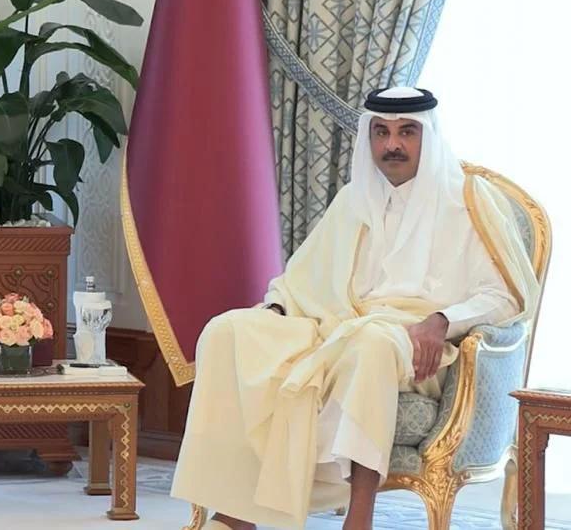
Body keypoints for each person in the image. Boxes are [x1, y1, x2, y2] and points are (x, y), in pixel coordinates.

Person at [171, 87, 540, 530]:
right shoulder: (354, 199)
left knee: (370, 343)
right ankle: (235, 513)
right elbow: (301, 278)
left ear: (429, 135)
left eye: (407, 132)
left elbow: (505, 297)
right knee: (228, 330)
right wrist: (275, 310)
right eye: (381, 132)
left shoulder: (469, 202)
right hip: (338, 325)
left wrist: (442, 321)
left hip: (417, 344)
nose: (392, 145)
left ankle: (359, 516)